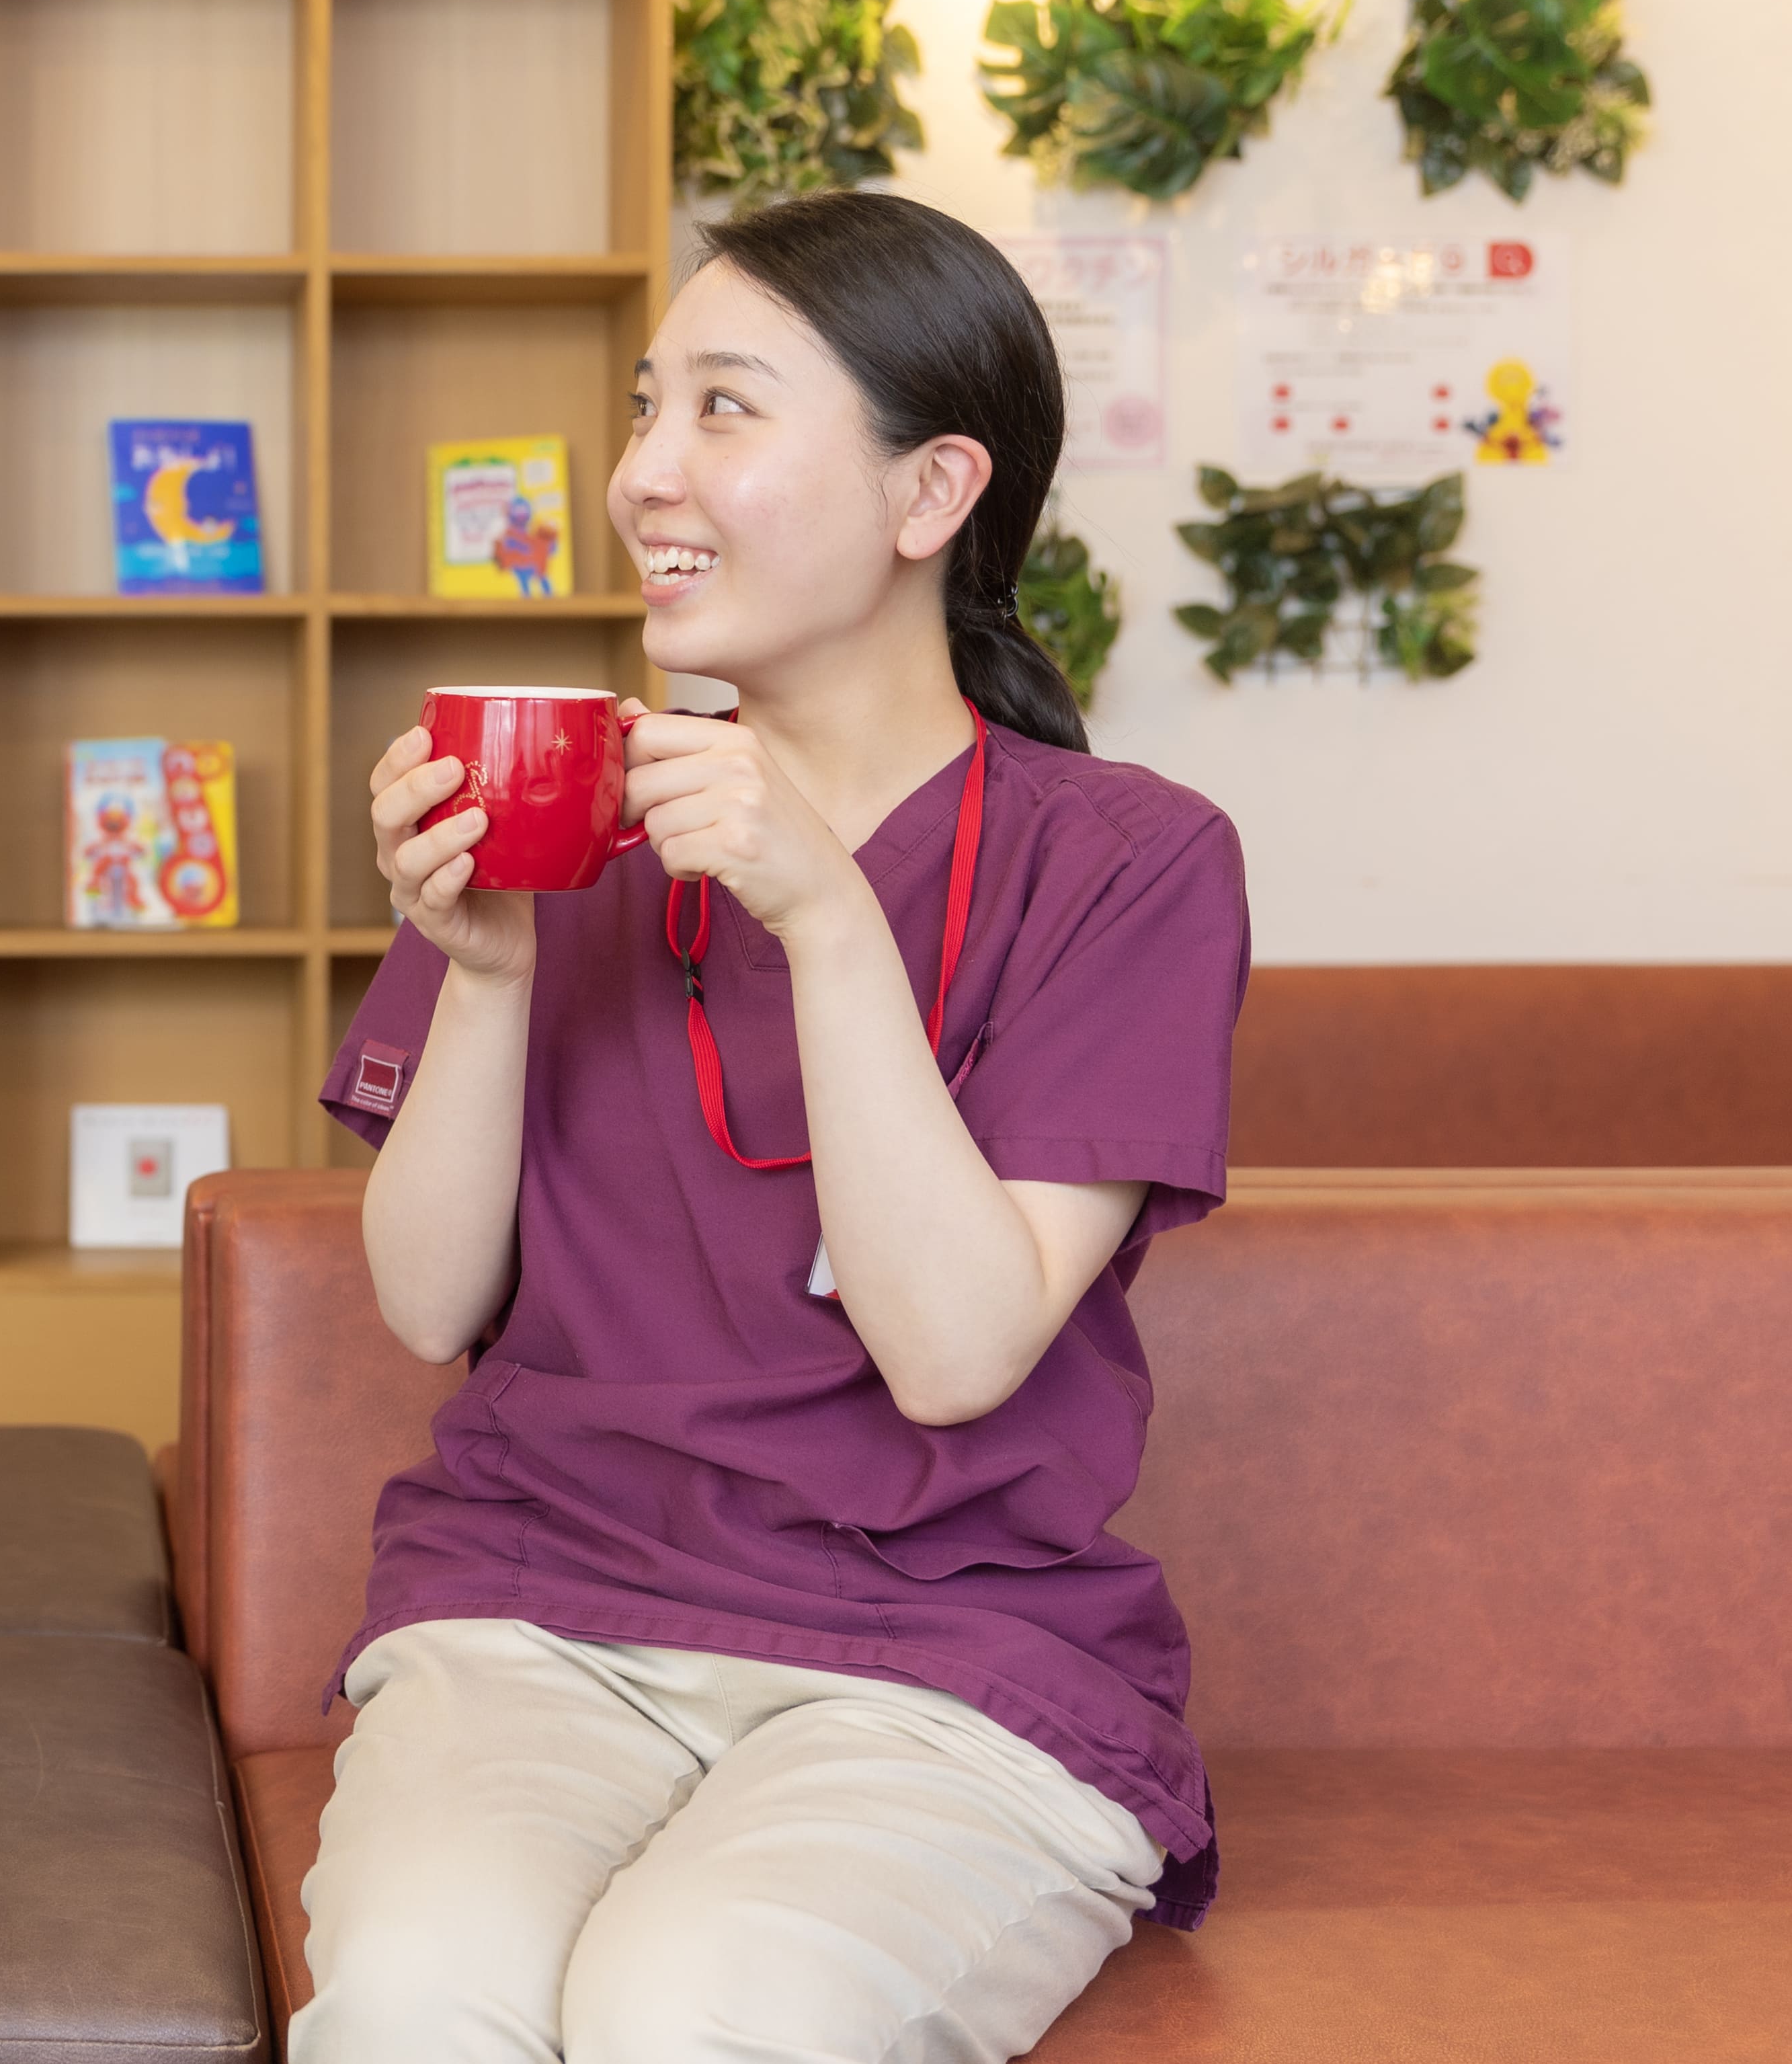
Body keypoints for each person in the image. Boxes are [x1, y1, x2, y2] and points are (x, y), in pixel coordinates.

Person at [299, 190, 1248, 2063]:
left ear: (928, 493)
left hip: (947, 1668)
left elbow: (955, 1348)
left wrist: (821, 916)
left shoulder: (1128, 860)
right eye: (643, 404)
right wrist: (483, 969)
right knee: (416, 2004)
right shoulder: (569, 811)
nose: (642, 471)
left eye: (722, 410)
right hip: (537, 1615)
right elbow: (424, 1302)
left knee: (695, 2006)